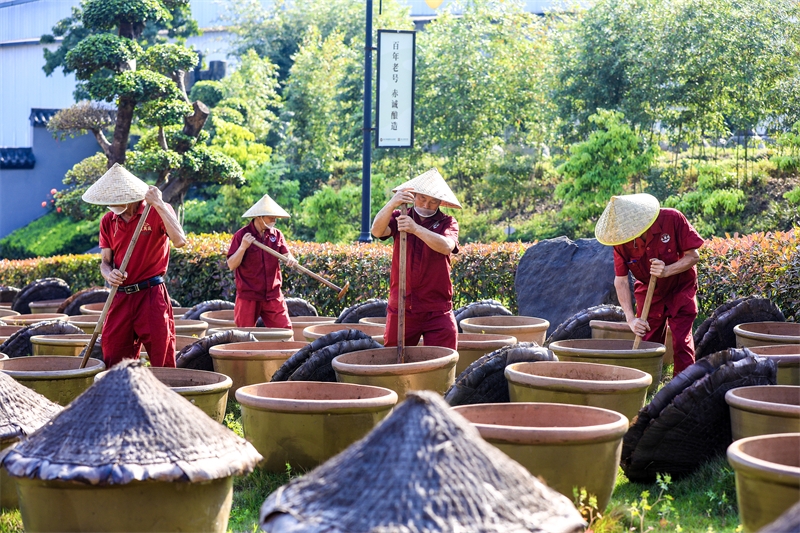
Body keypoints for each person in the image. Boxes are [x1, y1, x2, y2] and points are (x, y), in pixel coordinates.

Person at [82, 163, 187, 368]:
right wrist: (109, 274)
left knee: (162, 355)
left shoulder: (155, 211)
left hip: (151, 294)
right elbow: (105, 262)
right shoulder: (108, 220)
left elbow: (180, 240)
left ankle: (164, 398)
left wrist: (158, 204)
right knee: (113, 354)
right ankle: (122, 398)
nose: (115, 205)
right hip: (120, 296)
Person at [595, 193, 705, 376]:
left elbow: (693, 256)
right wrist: (631, 319)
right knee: (647, 340)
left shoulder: (672, 218)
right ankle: (646, 385)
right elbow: (621, 281)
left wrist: (667, 270)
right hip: (649, 291)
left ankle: (684, 388)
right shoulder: (621, 241)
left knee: (681, 342)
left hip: (680, 287)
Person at [371, 169, 461, 350]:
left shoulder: (447, 222)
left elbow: (446, 246)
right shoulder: (400, 216)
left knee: (444, 359)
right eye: (422, 198)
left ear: (440, 203)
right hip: (402, 304)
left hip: (437, 307)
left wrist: (416, 229)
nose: (427, 205)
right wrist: (391, 204)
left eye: (433, 201)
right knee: (394, 359)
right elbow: (377, 231)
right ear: (414, 196)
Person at [227, 194, 298, 328]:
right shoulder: (241, 235)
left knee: (285, 331)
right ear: (259, 217)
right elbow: (231, 265)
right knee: (244, 336)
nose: (274, 220)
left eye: (275, 217)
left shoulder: (276, 234)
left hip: (273, 294)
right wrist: (243, 247)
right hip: (248, 295)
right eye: (271, 217)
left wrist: (291, 259)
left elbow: (286, 253)